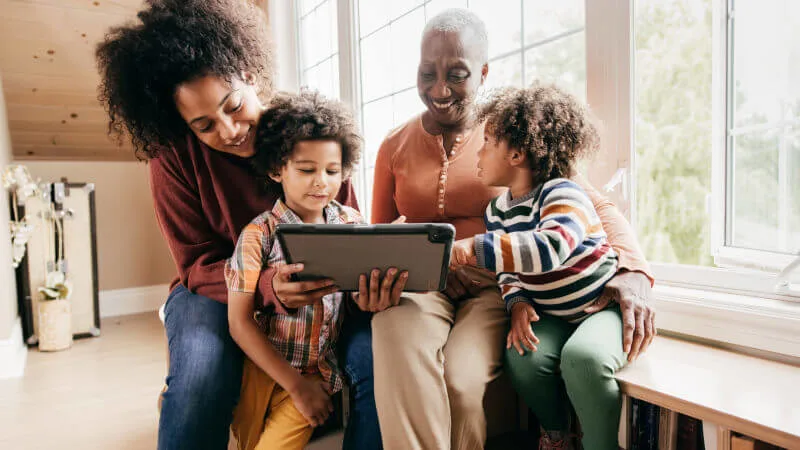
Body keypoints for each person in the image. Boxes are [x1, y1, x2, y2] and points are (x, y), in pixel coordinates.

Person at [95, 2, 400, 449]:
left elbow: (346, 231)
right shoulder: (172, 156)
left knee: (374, 354)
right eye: (204, 126)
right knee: (201, 373)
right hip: (213, 291)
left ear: (250, 75)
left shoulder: (309, 130)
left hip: (321, 292)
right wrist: (266, 287)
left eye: (234, 106)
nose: (229, 130)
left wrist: (370, 281)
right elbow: (196, 265)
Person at [369, 9, 656, 450]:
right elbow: (378, 237)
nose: (439, 89)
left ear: (483, 73)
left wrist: (633, 270)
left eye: (457, 74)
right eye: (427, 73)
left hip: (496, 287)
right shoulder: (393, 145)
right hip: (423, 287)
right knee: (391, 331)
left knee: (461, 384)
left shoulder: (511, 137)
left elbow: (592, 205)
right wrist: (367, 286)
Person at [450, 84, 628, 449]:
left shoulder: (562, 193)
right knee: (522, 356)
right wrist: (516, 302)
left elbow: (549, 249)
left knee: (585, 359)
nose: (478, 153)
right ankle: (557, 433)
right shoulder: (497, 210)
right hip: (553, 314)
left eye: (487, 142)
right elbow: (509, 269)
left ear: (516, 154)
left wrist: (473, 247)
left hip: (599, 309)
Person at [226, 90, 374, 449]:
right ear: (277, 169)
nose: (321, 181)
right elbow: (239, 322)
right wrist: (293, 384)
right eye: (307, 170)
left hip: (316, 374)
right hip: (261, 371)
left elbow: (357, 295)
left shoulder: (353, 224)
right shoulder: (257, 235)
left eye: (332, 170)